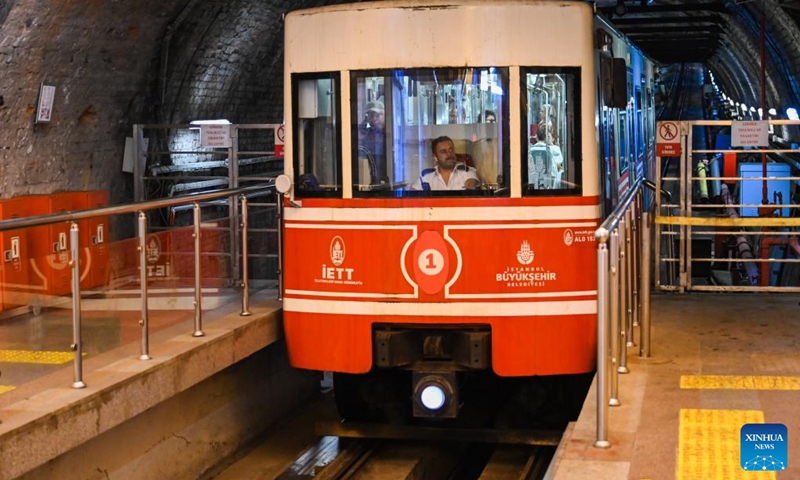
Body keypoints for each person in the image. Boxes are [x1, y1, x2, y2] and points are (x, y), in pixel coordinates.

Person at [411, 136, 480, 191]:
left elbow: (471, 184)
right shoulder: (426, 176)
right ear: (435, 157)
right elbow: (411, 196)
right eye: (443, 152)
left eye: (451, 150)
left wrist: (470, 186)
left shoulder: (466, 171)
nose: (449, 154)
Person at [358, 100, 387, 183]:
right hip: (369, 169)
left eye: (377, 115)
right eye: (371, 115)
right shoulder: (366, 129)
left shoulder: (390, 130)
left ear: (384, 115)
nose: (374, 118)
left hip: (386, 169)